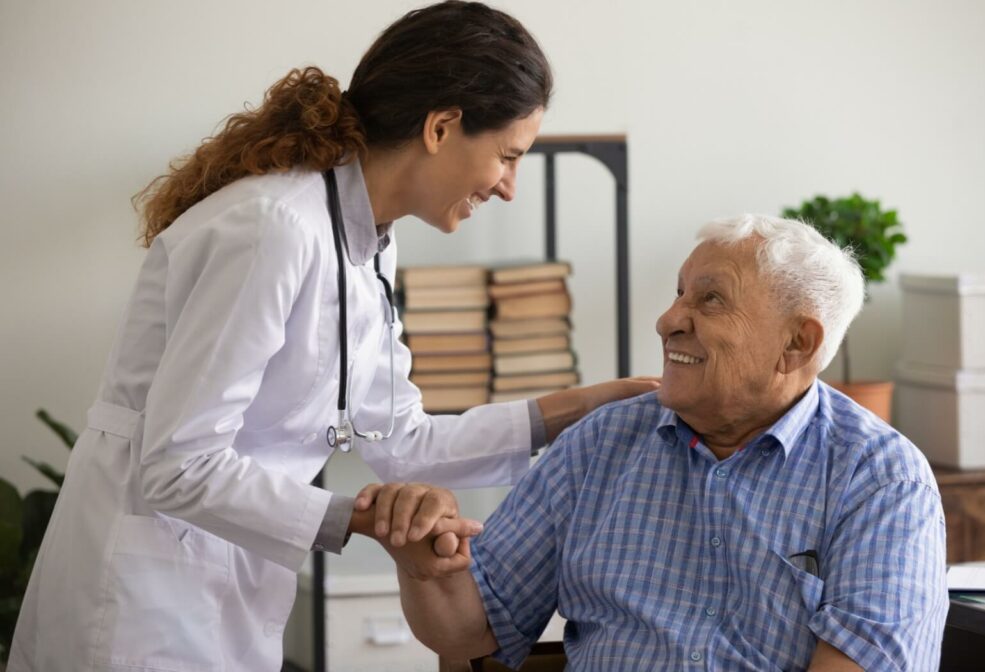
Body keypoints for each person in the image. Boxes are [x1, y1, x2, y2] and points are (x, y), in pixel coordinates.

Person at [8, 2, 657, 670]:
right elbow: (178, 465)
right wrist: (364, 519)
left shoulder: (368, 243)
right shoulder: (275, 228)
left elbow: (402, 441)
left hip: (219, 578)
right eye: (507, 157)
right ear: (442, 126)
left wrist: (587, 404)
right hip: (142, 591)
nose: (510, 187)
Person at [386, 215, 949, 671]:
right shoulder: (601, 441)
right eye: (680, 293)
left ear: (796, 344)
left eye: (709, 301)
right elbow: (472, 633)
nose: (667, 320)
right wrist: (424, 565)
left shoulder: (881, 479)